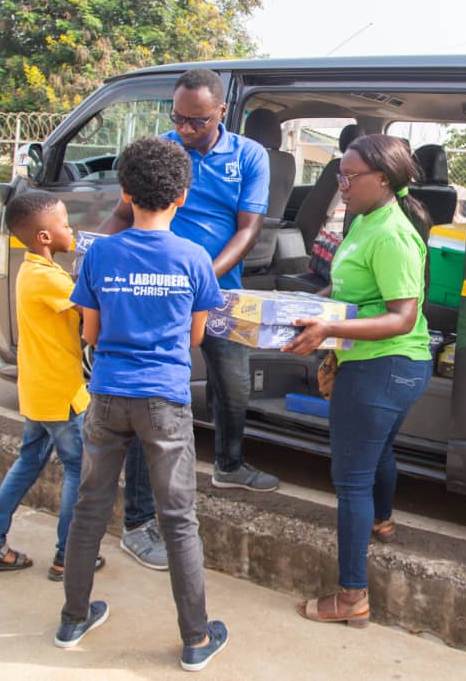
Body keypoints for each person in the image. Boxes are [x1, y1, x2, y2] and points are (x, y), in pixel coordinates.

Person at [58, 137, 228, 671]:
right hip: (164, 400)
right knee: (178, 518)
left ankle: (73, 619)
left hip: (107, 394)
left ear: (125, 194)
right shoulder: (194, 258)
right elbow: (196, 337)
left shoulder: (100, 253)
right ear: (182, 196)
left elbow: (90, 332)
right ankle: (196, 639)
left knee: (90, 508)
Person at [99, 68, 279, 572]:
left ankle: (229, 464)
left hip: (220, 289)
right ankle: (138, 522)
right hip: (162, 294)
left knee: (234, 384)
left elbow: (248, 230)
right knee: (154, 402)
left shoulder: (248, 156)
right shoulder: (160, 151)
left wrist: (202, 279)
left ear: (222, 112)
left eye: (197, 121)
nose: (185, 129)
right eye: (177, 118)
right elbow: (121, 216)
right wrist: (94, 253)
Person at [283, 134, 433, 627]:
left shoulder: (391, 234)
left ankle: (352, 597)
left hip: (381, 366)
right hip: (391, 367)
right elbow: (347, 286)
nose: (341, 185)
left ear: (383, 180)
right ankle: (383, 521)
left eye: (350, 177)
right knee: (379, 452)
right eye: (338, 175)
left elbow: (402, 317)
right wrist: (307, 306)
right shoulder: (366, 220)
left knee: (351, 482)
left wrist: (329, 330)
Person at [0, 192, 104, 582]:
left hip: (38, 389)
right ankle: (68, 556)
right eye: (65, 224)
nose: (71, 230)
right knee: (78, 469)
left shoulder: (31, 271)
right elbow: (91, 311)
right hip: (61, 393)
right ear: (44, 237)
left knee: (28, 462)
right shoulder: (49, 279)